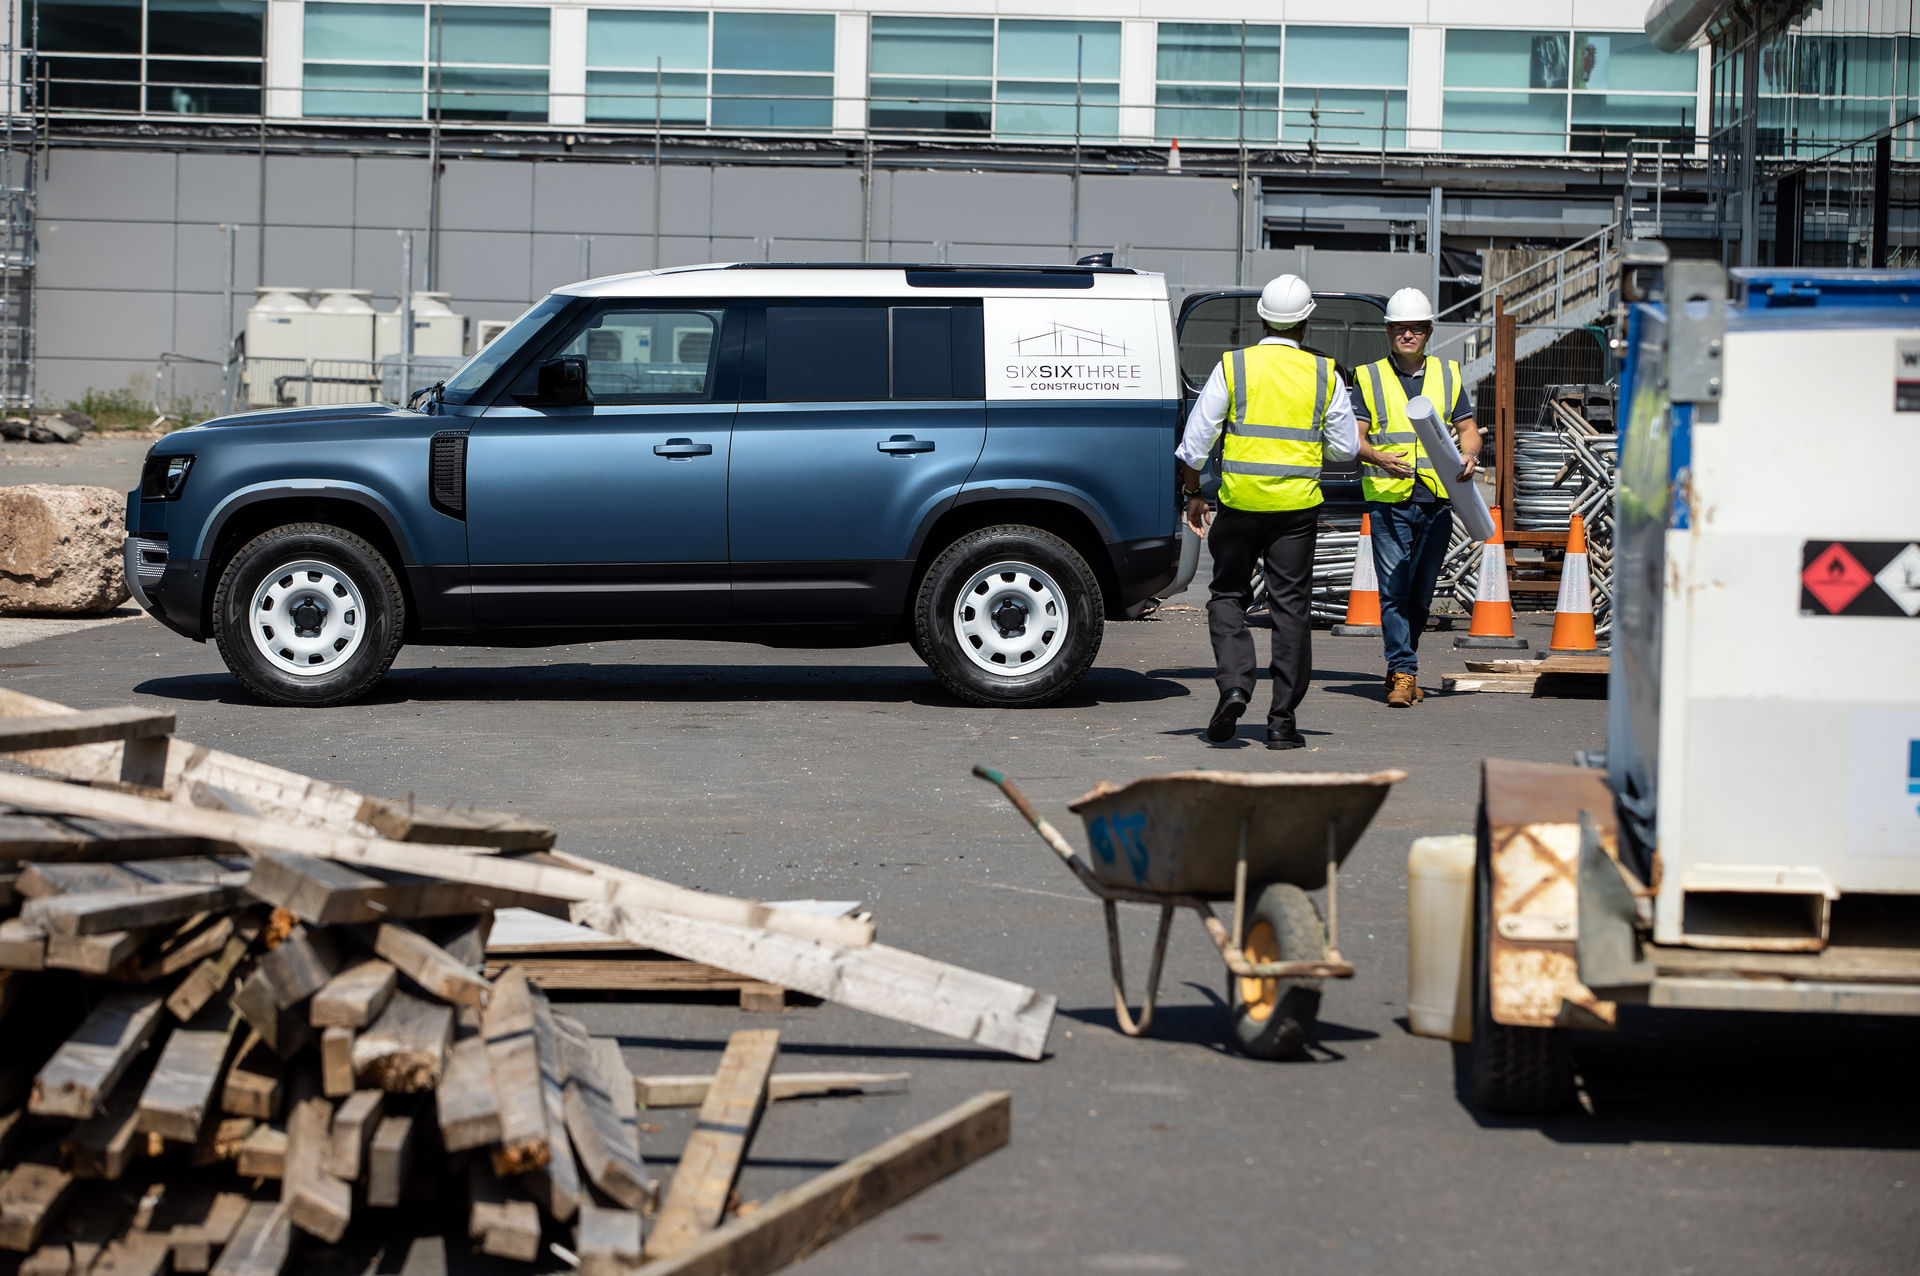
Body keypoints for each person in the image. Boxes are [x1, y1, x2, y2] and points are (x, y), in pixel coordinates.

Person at [1176, 274, 1359, 749]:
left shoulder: (1233, 367)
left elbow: (1194, 446)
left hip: (1239, 504)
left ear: (1261, 318)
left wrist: (1193, 494)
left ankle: (1235, 683)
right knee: (1290, 609)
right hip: (1297, 510)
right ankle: (1281, 724)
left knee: (1227, 596)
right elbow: (1343, 449)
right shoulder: (1325, 374)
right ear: (1305, 321)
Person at [1352, 287, 1482, 708]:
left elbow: (1468, 431)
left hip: (1437, 498)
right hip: (1389, 499)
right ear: (1389, 331)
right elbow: (1356, 439)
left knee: (1421, 593)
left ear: (1428, 332)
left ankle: (1400, 669)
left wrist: (1471, 455)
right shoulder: (1368, 376)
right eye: (1399, 328)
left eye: (1415, 328)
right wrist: (1377, 457)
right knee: (1393, 587)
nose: (1407, 334)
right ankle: (1405, 672)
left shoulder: (1448, 374)